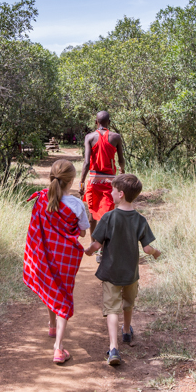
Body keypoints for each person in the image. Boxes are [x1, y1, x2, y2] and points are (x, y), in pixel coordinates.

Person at [84, 174, 161, 366]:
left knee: (112, 308)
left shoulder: (108, 217)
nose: (110, 193)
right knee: (128, 302)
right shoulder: (140, 220)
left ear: (121, 194)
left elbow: (96, 244)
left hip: (110, 272)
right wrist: (156, 253)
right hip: (130, 273)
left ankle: (113, 348)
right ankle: (126, 331)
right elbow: (146, 248)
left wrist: (86, 251)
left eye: (112, 190)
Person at [24, 159, 90, 364]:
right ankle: (59, 349)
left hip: (44, 256)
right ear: (71, 181)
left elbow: (35, 229)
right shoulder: (77, 204)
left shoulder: (43, 199)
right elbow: (82, 232)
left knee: (52, 289)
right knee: (63, 295)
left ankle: (52, 326)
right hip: (65, 258)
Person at [79, 111, 125, 259]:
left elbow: (86, 163)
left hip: (93, 180)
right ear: (109, 122)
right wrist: (122, 172)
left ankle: (94, 244)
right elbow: (121, 159)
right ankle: (102, 249)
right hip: (110, 181)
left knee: (93, 214)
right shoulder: (116, 137)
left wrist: (81, 182)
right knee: (107, 215)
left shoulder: (89, 137)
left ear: (95, 122)